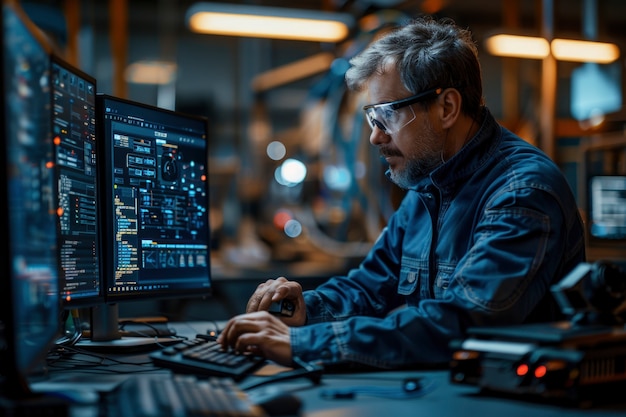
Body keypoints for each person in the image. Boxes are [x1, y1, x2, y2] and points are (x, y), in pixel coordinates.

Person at [217, 15, 586, 370]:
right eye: (372, 118)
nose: (376, 136)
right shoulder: (428, 186)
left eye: (387, 116)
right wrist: (305, 309)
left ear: (447, 108)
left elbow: (462, 322)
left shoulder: (522, 193)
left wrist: (304, 344)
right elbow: (371, 286)